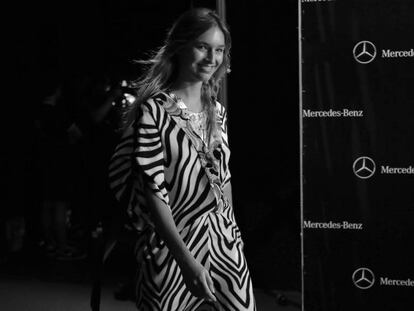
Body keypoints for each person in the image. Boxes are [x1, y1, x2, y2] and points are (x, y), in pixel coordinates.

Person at [109, 8, 256, 311]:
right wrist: (186, 261)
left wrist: (234, 236)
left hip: (223, 240)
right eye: (202, 46)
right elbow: (155, 194)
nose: (211, 58)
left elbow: (223, 182)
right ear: (180, 46)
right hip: (170, 246)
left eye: (219, 50)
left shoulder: (217, 112)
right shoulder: (154, 112)